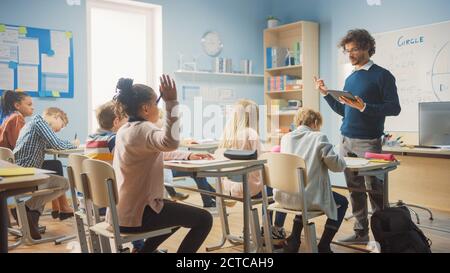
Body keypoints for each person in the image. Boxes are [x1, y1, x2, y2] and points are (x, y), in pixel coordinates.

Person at [314, 29, 401, 244]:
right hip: (346, 140)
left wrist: (365, 107)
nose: (350, 54)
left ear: (366, 48)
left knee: (375, 192)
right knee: (355, 191)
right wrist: (325, 94)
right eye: (347, 50)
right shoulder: (351, 78)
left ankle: (385, 236)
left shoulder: (383, 75)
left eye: (354, 50)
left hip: (369, 142)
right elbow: (345, 111)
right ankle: (361, 233)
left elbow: (394, 108)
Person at [112, 75, 212, 253]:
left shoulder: (125, 130)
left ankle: (145, 252)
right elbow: (169, 143)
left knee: (177, 213)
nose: (158, 109)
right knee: (204, 219)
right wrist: (171, 102)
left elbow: (158, 149)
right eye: (156, 105)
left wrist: (188, 156)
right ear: (146, 108)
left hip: (119, 215)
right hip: (138, 216)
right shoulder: (145, 129)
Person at [276, 108, 349, 253]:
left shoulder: (286, 138)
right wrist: (341, 156)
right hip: (307, 198)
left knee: (302, 191)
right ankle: (324, 245)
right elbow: (337, 167)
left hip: (284, 197)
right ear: (315, 122)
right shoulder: (319, 137)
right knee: (343, 202)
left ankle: (295, 239)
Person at [218, 99, 286, 241]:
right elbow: (262, 161)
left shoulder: (227, 134)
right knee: (283, 189)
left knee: (268, 186)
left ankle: (260, 229)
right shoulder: (251, 133)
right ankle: (273, 228)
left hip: (230, 188)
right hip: (250, 189)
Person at [12, 107, 79, 239]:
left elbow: (50, 145)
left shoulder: (32, 123)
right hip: (27, 175)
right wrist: (74, 144)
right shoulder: (40, 123)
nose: (60, 129)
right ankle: (26, 210)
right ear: (56, 117)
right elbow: (58, 145)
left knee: (54, 169)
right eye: (62, 125)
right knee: (64, 183)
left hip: (20, 171)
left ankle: (31, 215)